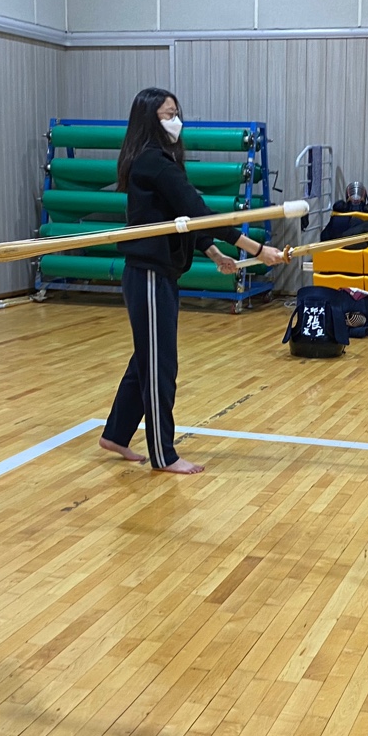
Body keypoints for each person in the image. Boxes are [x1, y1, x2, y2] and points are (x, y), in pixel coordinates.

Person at [100, 88, 283, 474]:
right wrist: (256, 249)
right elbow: (198, 211)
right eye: (168, 115)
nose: (176, 121)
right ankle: (163, 454)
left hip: (161, 274)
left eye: (176, 113)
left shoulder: (163, 161)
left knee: (148, 357)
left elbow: (181, 220)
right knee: (160, 364)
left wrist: (214, 253)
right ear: (150, 120)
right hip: (148, 275)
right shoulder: (152, 162)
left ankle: (116, 434)